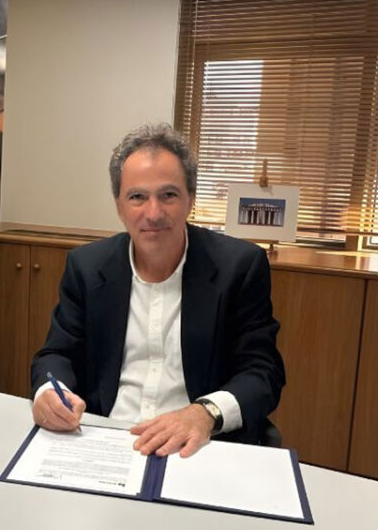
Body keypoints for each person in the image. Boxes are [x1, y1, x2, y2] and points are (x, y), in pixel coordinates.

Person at [30, 123, 285, 459]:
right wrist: (50, 393)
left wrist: (204, 413)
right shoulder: (87, 266)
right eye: (137, 197)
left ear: (190, 200)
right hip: (105, 441)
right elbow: (57, 354)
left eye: (168, 195)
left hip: (196, 447)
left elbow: (263, 373)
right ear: (119, 206)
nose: (153, 213)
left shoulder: (238, 267)